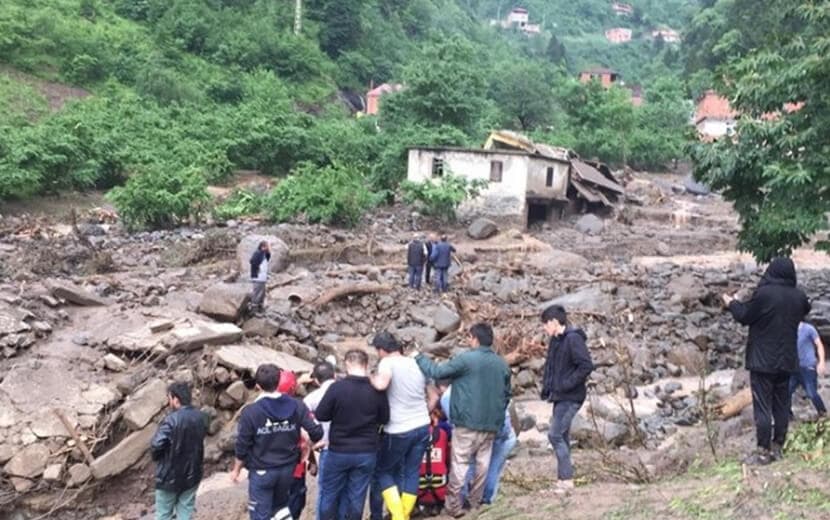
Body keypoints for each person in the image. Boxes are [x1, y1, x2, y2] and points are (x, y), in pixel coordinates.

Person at [413, 323, 511, 517]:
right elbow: (506, 395)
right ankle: (475, 504)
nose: (468, 341)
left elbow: (438, 373)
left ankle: (453, 507)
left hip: (467, 423)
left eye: (469, 337)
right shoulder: (501, 364)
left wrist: (418, 357)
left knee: (460, 464)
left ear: (474, 338)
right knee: (483, 464)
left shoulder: (466, 359)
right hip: (491, 424)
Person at [723, 257, 811, 465]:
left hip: (762, 360)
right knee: (781, 405)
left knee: (763, 406)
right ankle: (778, 446)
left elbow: (745, 316)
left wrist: (732, 303)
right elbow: (805, 309)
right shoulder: (799, 297)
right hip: (787, 360)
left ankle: (763, 450)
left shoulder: (764, 294)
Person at [231, 364, 323, 520]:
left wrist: (236, 469)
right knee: (280, 508)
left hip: (262, 470)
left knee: (261, 513)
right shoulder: (296, 405)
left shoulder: (251, 412)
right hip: (288, 469)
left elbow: (242, 445)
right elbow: (316, 432)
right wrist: (308, 447)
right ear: (278, 380)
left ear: (258, 386)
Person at [315, 350, 390, 520]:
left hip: (338, 450)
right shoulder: (376, 390)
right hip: (366, 451)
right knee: (357, 496)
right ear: (366, 365)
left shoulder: (337, 388)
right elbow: (385, 418)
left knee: (329, 494)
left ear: (347, 364)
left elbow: (321, 414)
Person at [369, 332, 431, 520]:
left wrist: (369, 377)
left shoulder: (387, 362)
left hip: (398, 429)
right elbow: (434, 395)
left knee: (383, 471)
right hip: (422, 425)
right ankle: (404, 513)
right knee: (412, 471)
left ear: (382, 350)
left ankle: (398, 516)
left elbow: (381, 385)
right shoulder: (416, 363)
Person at [540, 305, 594, 494]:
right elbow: (551, 367)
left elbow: (586, 365)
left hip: (571, 396)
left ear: (554, 322)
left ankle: (567, 480)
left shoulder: (573, 339)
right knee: (561, 436)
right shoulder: (556, 341)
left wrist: (566, 384)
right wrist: (547, 389)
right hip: (559, 396)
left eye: (545, 325)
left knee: (554, 435)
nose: (544, 329)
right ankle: (562, 480)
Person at [439, 385, 517, 506]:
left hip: (483, 433)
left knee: (470, 465)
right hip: (499, 431)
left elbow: (456, 426)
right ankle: (484, 502)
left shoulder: (447, 397)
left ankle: (467, 500)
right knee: (491, 468)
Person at [151, 383, 207, 520]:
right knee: (185, 511)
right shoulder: (201, 417)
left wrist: (158, 457)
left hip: (169, 477)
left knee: (163, 514)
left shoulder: (171, 420)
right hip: (192, 474)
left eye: (169, 398)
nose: (168, 402)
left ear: (176, 400)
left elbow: (156, 445)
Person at [302, 360, 337, 516]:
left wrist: (311, 458)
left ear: (315, 380)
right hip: (353, 446)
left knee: (326, 492)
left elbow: (304, 429)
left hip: (326, 447)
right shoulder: (348, 391)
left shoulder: (311, 398)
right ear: (335, 375)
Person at [789, 321, 826, 418]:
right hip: (793, 368)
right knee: (786, 392)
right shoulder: (788, 329)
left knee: (812, 393)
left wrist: (821, 362)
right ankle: (788, 416)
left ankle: (823, 413)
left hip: (808, 367)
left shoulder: (809, 329)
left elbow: (819, 344)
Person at [249, 241, 271, 313]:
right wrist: (257, 270)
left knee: (262, 294)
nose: (268, 247)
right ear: (262, 247)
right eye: (267, 246)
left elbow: (268, 257)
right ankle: (254, 311)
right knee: (257, 293)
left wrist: (268, 250)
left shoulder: (263, 254)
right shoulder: (257, 253)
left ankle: (260, 308)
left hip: (262, 278)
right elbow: (252, 261)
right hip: (258, 277)